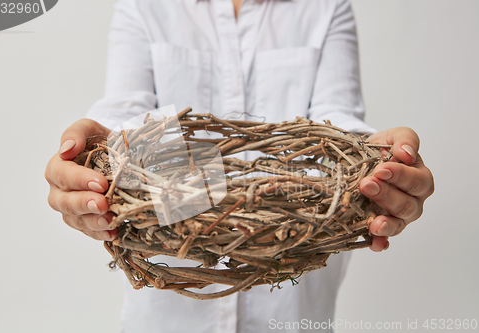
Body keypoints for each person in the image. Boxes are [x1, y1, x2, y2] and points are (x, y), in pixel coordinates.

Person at [45, 0, 434, 332]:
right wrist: (97, 173)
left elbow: (338, 133)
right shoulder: (146, 5)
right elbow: (127, 127)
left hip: (293, 305)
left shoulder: (324, 6)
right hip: (170, 312)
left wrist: (382, 169)